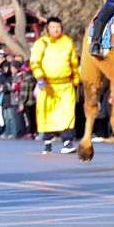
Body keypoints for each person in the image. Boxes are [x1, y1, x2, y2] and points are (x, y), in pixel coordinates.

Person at [30, 17, 81, 154]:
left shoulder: (68, 42)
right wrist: (40, 77)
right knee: (47, 112)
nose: (56, 29)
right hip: (47, 85)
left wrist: (76, 79)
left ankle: (67, 142)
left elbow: (74, 63)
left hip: (65, 84)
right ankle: (47, 141)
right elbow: (35, 62)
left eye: (58, 27)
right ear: (47, 29)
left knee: (67, 112)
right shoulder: (41, 43)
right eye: (53, 27)